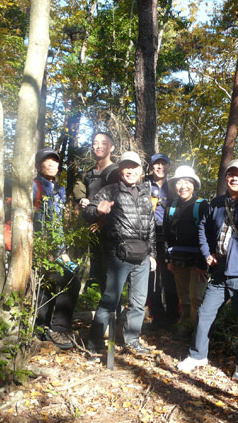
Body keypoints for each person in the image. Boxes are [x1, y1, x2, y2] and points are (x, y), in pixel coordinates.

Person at [177, 159, 238, 384]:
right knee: (205, 313)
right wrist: (207, 253)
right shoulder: (217, 203)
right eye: (230, 174)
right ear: (226, 178)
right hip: (220, 270)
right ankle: (198, 356)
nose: (234, 178)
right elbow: (203, 228)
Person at [84, 151, 157, 356]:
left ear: (140, 171)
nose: (130, 171)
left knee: (138, 303)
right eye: (126, 167)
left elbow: (151, 226)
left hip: (143, 256)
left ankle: (132, 341)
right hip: (118, 255)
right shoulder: (110, 191)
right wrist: (98, 210)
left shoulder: (145, 193)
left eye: (134, 167)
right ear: (120, 170)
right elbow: (88, 213)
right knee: (110, 300)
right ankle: (94, 343)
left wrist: (152, 254)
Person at [33, 147, 80, 350]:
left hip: (56, 250)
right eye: (47, 160)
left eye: (55, 160)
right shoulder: (35, 187)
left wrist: (62, 251)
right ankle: (51, 330)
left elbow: (57, 224)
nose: (51, 164)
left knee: (58, 285)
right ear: (38, 165)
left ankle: (46, 329)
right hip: (40, 248)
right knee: (53, 286)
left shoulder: (57, 190)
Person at [73, 132, 120, 292]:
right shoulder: (89, 174)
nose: (99, 146)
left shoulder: (116, 172)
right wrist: (82, 200)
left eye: (104, 143)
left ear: (111, 148)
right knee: (96, 268)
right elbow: (81, 191)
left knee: (111, 270)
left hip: (111, 229)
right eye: (95, 143)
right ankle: (98, 302)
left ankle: (114, 304)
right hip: (92, 228)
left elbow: (119, 201)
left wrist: (102, 222)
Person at [164, 166, 209, 329]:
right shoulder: (171, 206)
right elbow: (167, 235)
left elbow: (209, 235)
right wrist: (169, 259)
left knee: (197, 298)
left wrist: (203, 263)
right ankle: (185, 328)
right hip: (179, 260)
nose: (183, 186)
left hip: (198, 262)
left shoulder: (202, 206)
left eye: (187, 182)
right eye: (179, 182)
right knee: (183, 297)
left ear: (194, 185)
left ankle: (198, 334)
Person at [146, 153, 179, 328]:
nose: (160, 167)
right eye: (156, 164)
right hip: (147, 237)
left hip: (169, 237)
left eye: (163, 164)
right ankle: (157, 316)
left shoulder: (174, 186)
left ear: (168, 166)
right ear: (151, 167)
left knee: (170, 278)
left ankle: (173, 316)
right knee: (152, 278)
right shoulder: (144, 185)